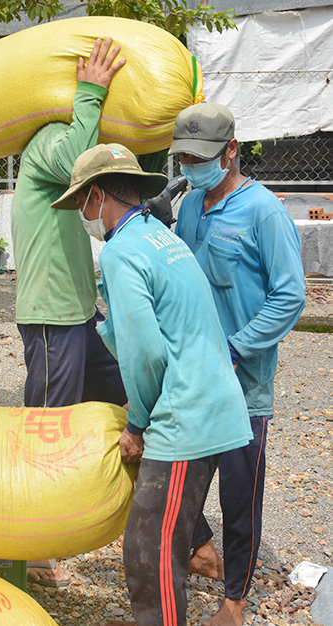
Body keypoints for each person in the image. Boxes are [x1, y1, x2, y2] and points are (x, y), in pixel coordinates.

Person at [51, 142, 253, 626]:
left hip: (186, 416)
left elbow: (146, 352)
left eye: (81, 201)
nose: (82, 212)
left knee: (152, 555)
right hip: (206, 400)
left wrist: (137, 423)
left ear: (98, 195)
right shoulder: (159, 236)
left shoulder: (122, 252)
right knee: (154, 546)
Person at [169, 102, 306, 626]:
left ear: (231, 151)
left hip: (243, 384)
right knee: (179, 479)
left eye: (200, 157)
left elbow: (289, 295)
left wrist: (237, 347)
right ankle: (192, 556)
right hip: (192, 374)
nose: (191, 167)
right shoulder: (189, 206)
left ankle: (235, 600)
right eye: (183, 157)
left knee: (239, 495)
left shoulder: (264, 211)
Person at [10, 37, 130, 586]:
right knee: (48, 429)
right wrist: (92, 92)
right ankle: (34, 546)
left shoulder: (63, 137)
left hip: (79, 313)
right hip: (53, 315)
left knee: (132, 394)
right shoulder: (47, 142)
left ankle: (184, 533)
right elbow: (78, 163)